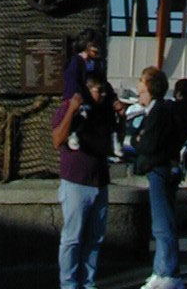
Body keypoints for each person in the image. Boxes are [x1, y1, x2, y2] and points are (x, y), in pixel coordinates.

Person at [51, 69, 114, 289]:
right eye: (99, 91)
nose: (102, 95)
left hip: (99, 180)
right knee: (72, 237)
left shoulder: (103, 112)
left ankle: (88, 282)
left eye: (104, 91)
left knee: (95, 238)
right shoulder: (68, 109)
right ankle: (68, 283)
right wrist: (71, 111)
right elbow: (57, 140)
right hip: (75, 182)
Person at [131, 66, 184, 289]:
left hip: (158, 170)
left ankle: (167, 272)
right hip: (161, 169)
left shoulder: (158, 112)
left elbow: (146, 143)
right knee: (162, 223)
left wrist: (139, 140)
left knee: (163, 224)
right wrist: (139, 139)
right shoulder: (157, 110)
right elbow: (140, 139)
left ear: (151, 89)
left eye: (141, 91)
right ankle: (161, 269)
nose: (139, 95)